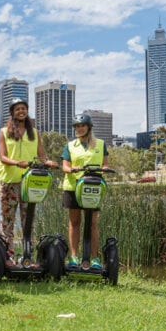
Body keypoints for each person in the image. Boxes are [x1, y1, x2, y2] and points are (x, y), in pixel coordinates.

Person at [0, 97, 55, 264]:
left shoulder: (34, 133)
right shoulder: (3, 131)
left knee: (28, 220)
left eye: (23, 108)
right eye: (17, 109)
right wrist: (17, 163)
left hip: (30, 182)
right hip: (9, 181)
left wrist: (48, 162)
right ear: (12, 112)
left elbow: (41, 155)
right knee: (7, 221)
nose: (21, 111)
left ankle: (28, 255)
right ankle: (8, 256)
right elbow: (2, 156)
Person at [60, 113, 109, 268]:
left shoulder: (100, 144)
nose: (79, 129)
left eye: (82, 126)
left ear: (89, 127)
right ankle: (74, 257)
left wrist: (105, 169)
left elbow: (105, 164)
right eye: (77, 126)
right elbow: (65, 166)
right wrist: (71, 169)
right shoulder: (70, 146)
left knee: (93, 223)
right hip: (73, 187)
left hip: (92, 187)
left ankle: (94, 258)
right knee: (75, 222)